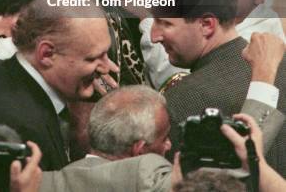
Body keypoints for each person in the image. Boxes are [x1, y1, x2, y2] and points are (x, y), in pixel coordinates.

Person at [150, 0, 286, 176]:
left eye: (165, 23)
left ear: (206, 24)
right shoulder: (281, 66)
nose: (154, 36)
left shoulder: (181, 101)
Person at [0, 0, 113, 170]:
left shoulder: (13, 75)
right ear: (46, 54)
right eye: (92, 58)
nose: (105, 67)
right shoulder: (20, 130)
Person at [40, 80, 285, 192]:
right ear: (138, 150)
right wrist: (256, 161)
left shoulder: (48, 181)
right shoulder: (146, 174)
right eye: (164, 137)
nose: (169, 144)